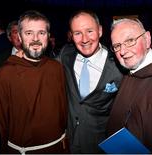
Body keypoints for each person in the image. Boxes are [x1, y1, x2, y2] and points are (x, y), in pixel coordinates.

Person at [0, 10, 68, 154]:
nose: (35, 38)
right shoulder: (4, 74)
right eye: (29, 33)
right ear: (20, 37)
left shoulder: (57, 68)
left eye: (41, 33)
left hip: (59, 148)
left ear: (48, 36)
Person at [58, 10, 123, 153]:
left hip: (100, 143)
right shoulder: (65, 55)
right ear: (71, 35)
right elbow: (46, 69)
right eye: (77, 33)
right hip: (69, 140)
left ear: (100, 31)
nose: (84, 39)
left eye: (89, 31)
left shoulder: (118, 65)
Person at [107, 18, 152, 153]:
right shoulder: (129, 72)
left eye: (130, 41)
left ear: (147, 39)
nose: (123, 52)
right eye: (117, 46)